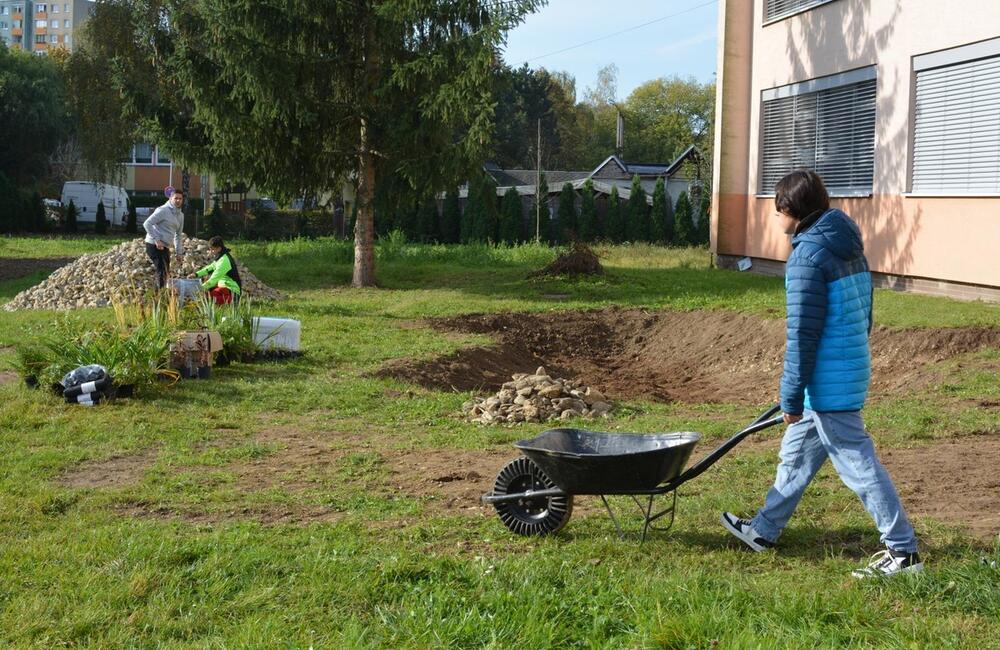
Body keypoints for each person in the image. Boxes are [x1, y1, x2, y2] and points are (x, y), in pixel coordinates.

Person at [720, 170, 923, 578]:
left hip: (828, 381)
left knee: (858, 464)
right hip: (844, 368)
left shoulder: (807, 257)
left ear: (790, 210)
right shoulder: (848, 244)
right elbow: (866, 311)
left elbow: (802, 335)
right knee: (795, 455)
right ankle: (764, 529)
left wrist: (791, 396)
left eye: (777, 208)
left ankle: (903, 552)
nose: (775, 217)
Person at [143, 190, 185, 289]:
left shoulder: (181, 215)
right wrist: (157, 240)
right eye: (176, 198)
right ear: (170, 199)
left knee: (165, 271)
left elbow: (178, 235)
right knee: (161, 270)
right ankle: (158, 297)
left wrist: (179, 253)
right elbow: (147, 223)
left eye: (180, 198)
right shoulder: (163, 210)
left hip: (165, 246)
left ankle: (160, 294)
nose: (178, 200)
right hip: (153, 244)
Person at [190, 235, 242, 305]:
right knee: (208, 293)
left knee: (211, 296)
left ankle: (231, 302)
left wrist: (199, 288)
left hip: (232, 290)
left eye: (213, 249)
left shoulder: (224, 261)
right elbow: (209, 268)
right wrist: (196, 274)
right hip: (223, 285)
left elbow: (213, 279)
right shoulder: (220, 257)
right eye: (210, 249)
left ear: (219, 248)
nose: (211, 251)